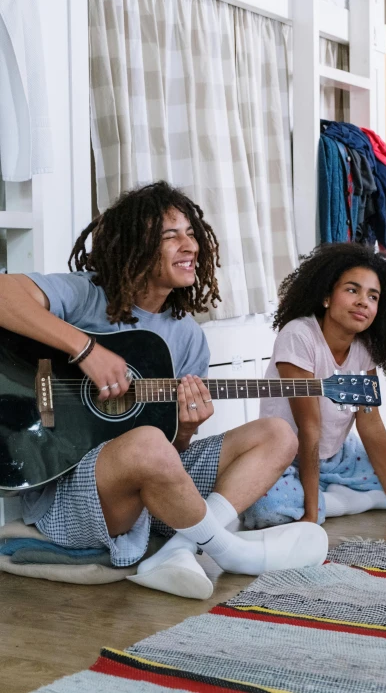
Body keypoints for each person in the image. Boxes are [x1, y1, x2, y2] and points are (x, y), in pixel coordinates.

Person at [0, 182, 328, 599]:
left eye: (191, 233)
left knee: (279, 433)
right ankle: (230, 551)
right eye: (170, 235)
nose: (188, 244)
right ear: (135, 245)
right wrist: (86, 350)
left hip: (150, 485)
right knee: (149, 444)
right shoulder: (86, 295)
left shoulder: (187, 337)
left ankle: (181, 547)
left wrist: (187, 429)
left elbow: (170, 452)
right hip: (73, 493)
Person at [242, 243, 386, 528]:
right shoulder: (299, 335)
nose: (363, 301)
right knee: (268, 512)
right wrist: (311, 517)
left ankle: (341, 498)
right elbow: (309, 429)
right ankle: (357, 500)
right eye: (352, 290)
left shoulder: (365, 347)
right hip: (286, 458)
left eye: (373, 297)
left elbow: (371, 427)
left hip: (337, 457)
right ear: (326, 296)